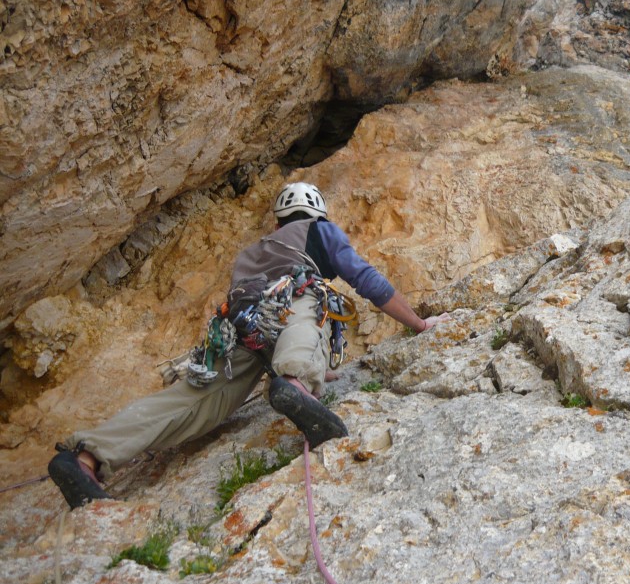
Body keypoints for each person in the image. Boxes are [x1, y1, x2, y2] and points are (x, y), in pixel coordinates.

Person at [47, 182, 449, 509]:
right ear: (317, 212)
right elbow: (364, 280)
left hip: (241, 329)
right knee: (316, 299)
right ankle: (296, 385)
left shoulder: (254, 252)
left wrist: (315, 361)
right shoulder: (319, 230)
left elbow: (264, 321)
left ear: (278, 218)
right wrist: (418, 322)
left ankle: (88, 457)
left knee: (191, 400)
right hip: (290, 302)